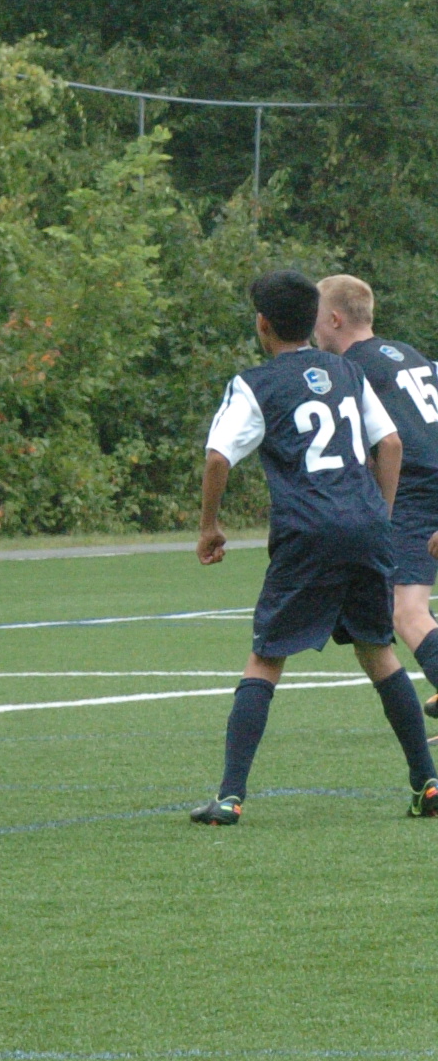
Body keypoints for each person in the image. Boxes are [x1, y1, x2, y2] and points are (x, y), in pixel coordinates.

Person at [191, 270, 438, 825]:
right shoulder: (349, 371)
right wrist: (381, 515)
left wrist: (209, 526)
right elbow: (390, 442)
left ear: (262, 324)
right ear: (311, 321)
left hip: (308, 529)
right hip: (366, 525)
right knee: (379, 653)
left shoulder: (254, 383)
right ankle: (427, 783)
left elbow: (217, 457)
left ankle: (229, 797)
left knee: (266, 658)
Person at [313, 275, 438, 718]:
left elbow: (377, 444)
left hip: (414, 490)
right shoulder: (411, 354)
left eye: (315, 318)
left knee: (406, 610)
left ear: (334, 319)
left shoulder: (350, 369)